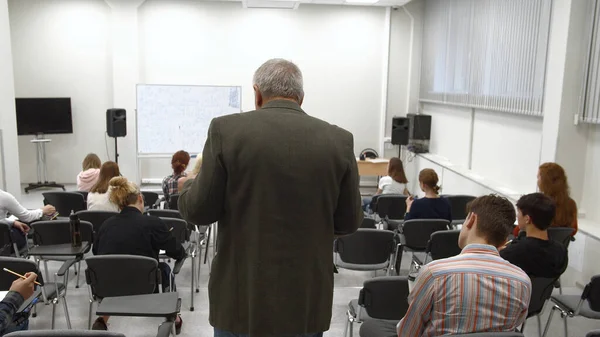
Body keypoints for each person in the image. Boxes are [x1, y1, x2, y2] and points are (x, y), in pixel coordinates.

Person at [179, 58, 362, 337]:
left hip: (241, 299)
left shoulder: (225, 131)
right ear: (301, 98)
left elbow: (199, 211)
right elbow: (349, 221)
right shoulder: (339, 140)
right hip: (306, 299)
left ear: (257, 93)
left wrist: (185, 187)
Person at [397, 195, 531, 336]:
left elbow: (408, 333)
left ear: (471, 220)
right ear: (505, 240)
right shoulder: (522, 282)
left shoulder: (434, 274)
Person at [92, 177, 185, 333]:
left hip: (110, 289)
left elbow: (97, 253)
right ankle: (173, 317)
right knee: (165, 269)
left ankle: (102, 319)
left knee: (112, 268)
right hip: (146, 290)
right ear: (140, 199)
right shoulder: (153, 223)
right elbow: (177, 251)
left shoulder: (106, 225)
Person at [501, 193, 568, 278]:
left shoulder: (515, 252)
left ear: (527, 219)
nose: (517, 216)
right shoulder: (561, 251)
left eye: (519, 212)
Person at [0, 189, 56, 255]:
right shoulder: (4, 196)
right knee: (24, 230)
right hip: (4, 245)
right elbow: (27, 217)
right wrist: (42, 210)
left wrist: (10, 222)